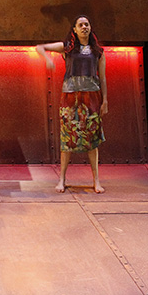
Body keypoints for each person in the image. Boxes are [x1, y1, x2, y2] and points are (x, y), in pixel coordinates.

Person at [35, 15, 108, 194]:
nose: (84, 27)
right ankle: (62, 179)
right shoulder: (68, 47)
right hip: (70, 97)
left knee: (92, 139)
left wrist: (105, 100)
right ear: (74, 29)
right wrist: (48, 59)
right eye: (80, 25)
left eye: (87, 24)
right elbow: (40, 47)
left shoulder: (98, 51)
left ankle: (96, 180)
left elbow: (102, 77)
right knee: (67, 137)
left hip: (91, 97)